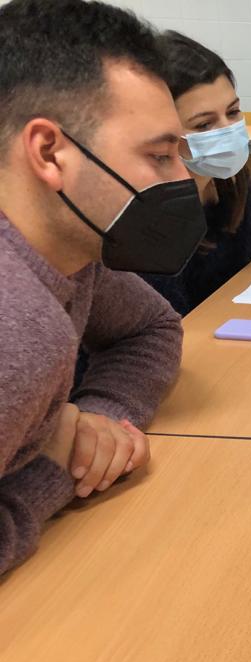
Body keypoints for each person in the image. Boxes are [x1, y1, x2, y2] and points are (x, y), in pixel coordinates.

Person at [0, 0, 203, 575]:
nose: (183, 180)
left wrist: (103, 421)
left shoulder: (73, 255)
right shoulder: (18, 327)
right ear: (48, 152)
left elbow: (151, 327)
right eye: (159, 156)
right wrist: (55, 466)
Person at [141, 31, 251, 316]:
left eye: (233, 112)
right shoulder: (148, 213)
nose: (227, 131)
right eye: (204, 124)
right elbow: (165, 319)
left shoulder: (231, 181)